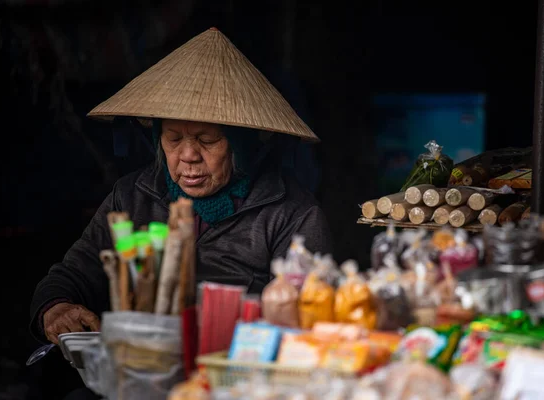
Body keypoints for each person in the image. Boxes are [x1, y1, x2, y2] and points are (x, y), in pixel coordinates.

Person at [29, 27, 332, 379]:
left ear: (242, 146)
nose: (187, 156)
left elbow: (310, 326)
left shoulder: (293, 216)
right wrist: (56, 307)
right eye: (173, 139)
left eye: (207, 140)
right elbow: (75, 273)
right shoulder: (133, 196)